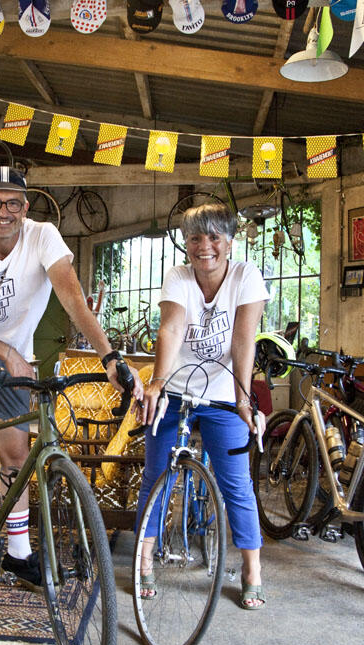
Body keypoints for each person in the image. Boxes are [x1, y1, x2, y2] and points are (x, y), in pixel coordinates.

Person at [0, 166, 142, 589]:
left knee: (14, 456)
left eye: (13, 203)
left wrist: (109, 357)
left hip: (16, 354)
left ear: (25, 209)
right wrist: (4, 350)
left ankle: (18, 553)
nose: (3, 211)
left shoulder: (43, 236)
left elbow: (72, 297)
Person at [135, 202, 269, 610]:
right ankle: (143, 562)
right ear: (186, 243)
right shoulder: (178, 277)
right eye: (195, 237)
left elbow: (243, 340)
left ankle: (252, 569)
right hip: (175, 391)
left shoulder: (246, 276)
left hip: (222, 394)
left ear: (229, 242)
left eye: (214, 237)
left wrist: (245, 399)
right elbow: (171, 327)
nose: (204, 246)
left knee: (236, 484)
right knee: (157, 475)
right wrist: (157, 382)